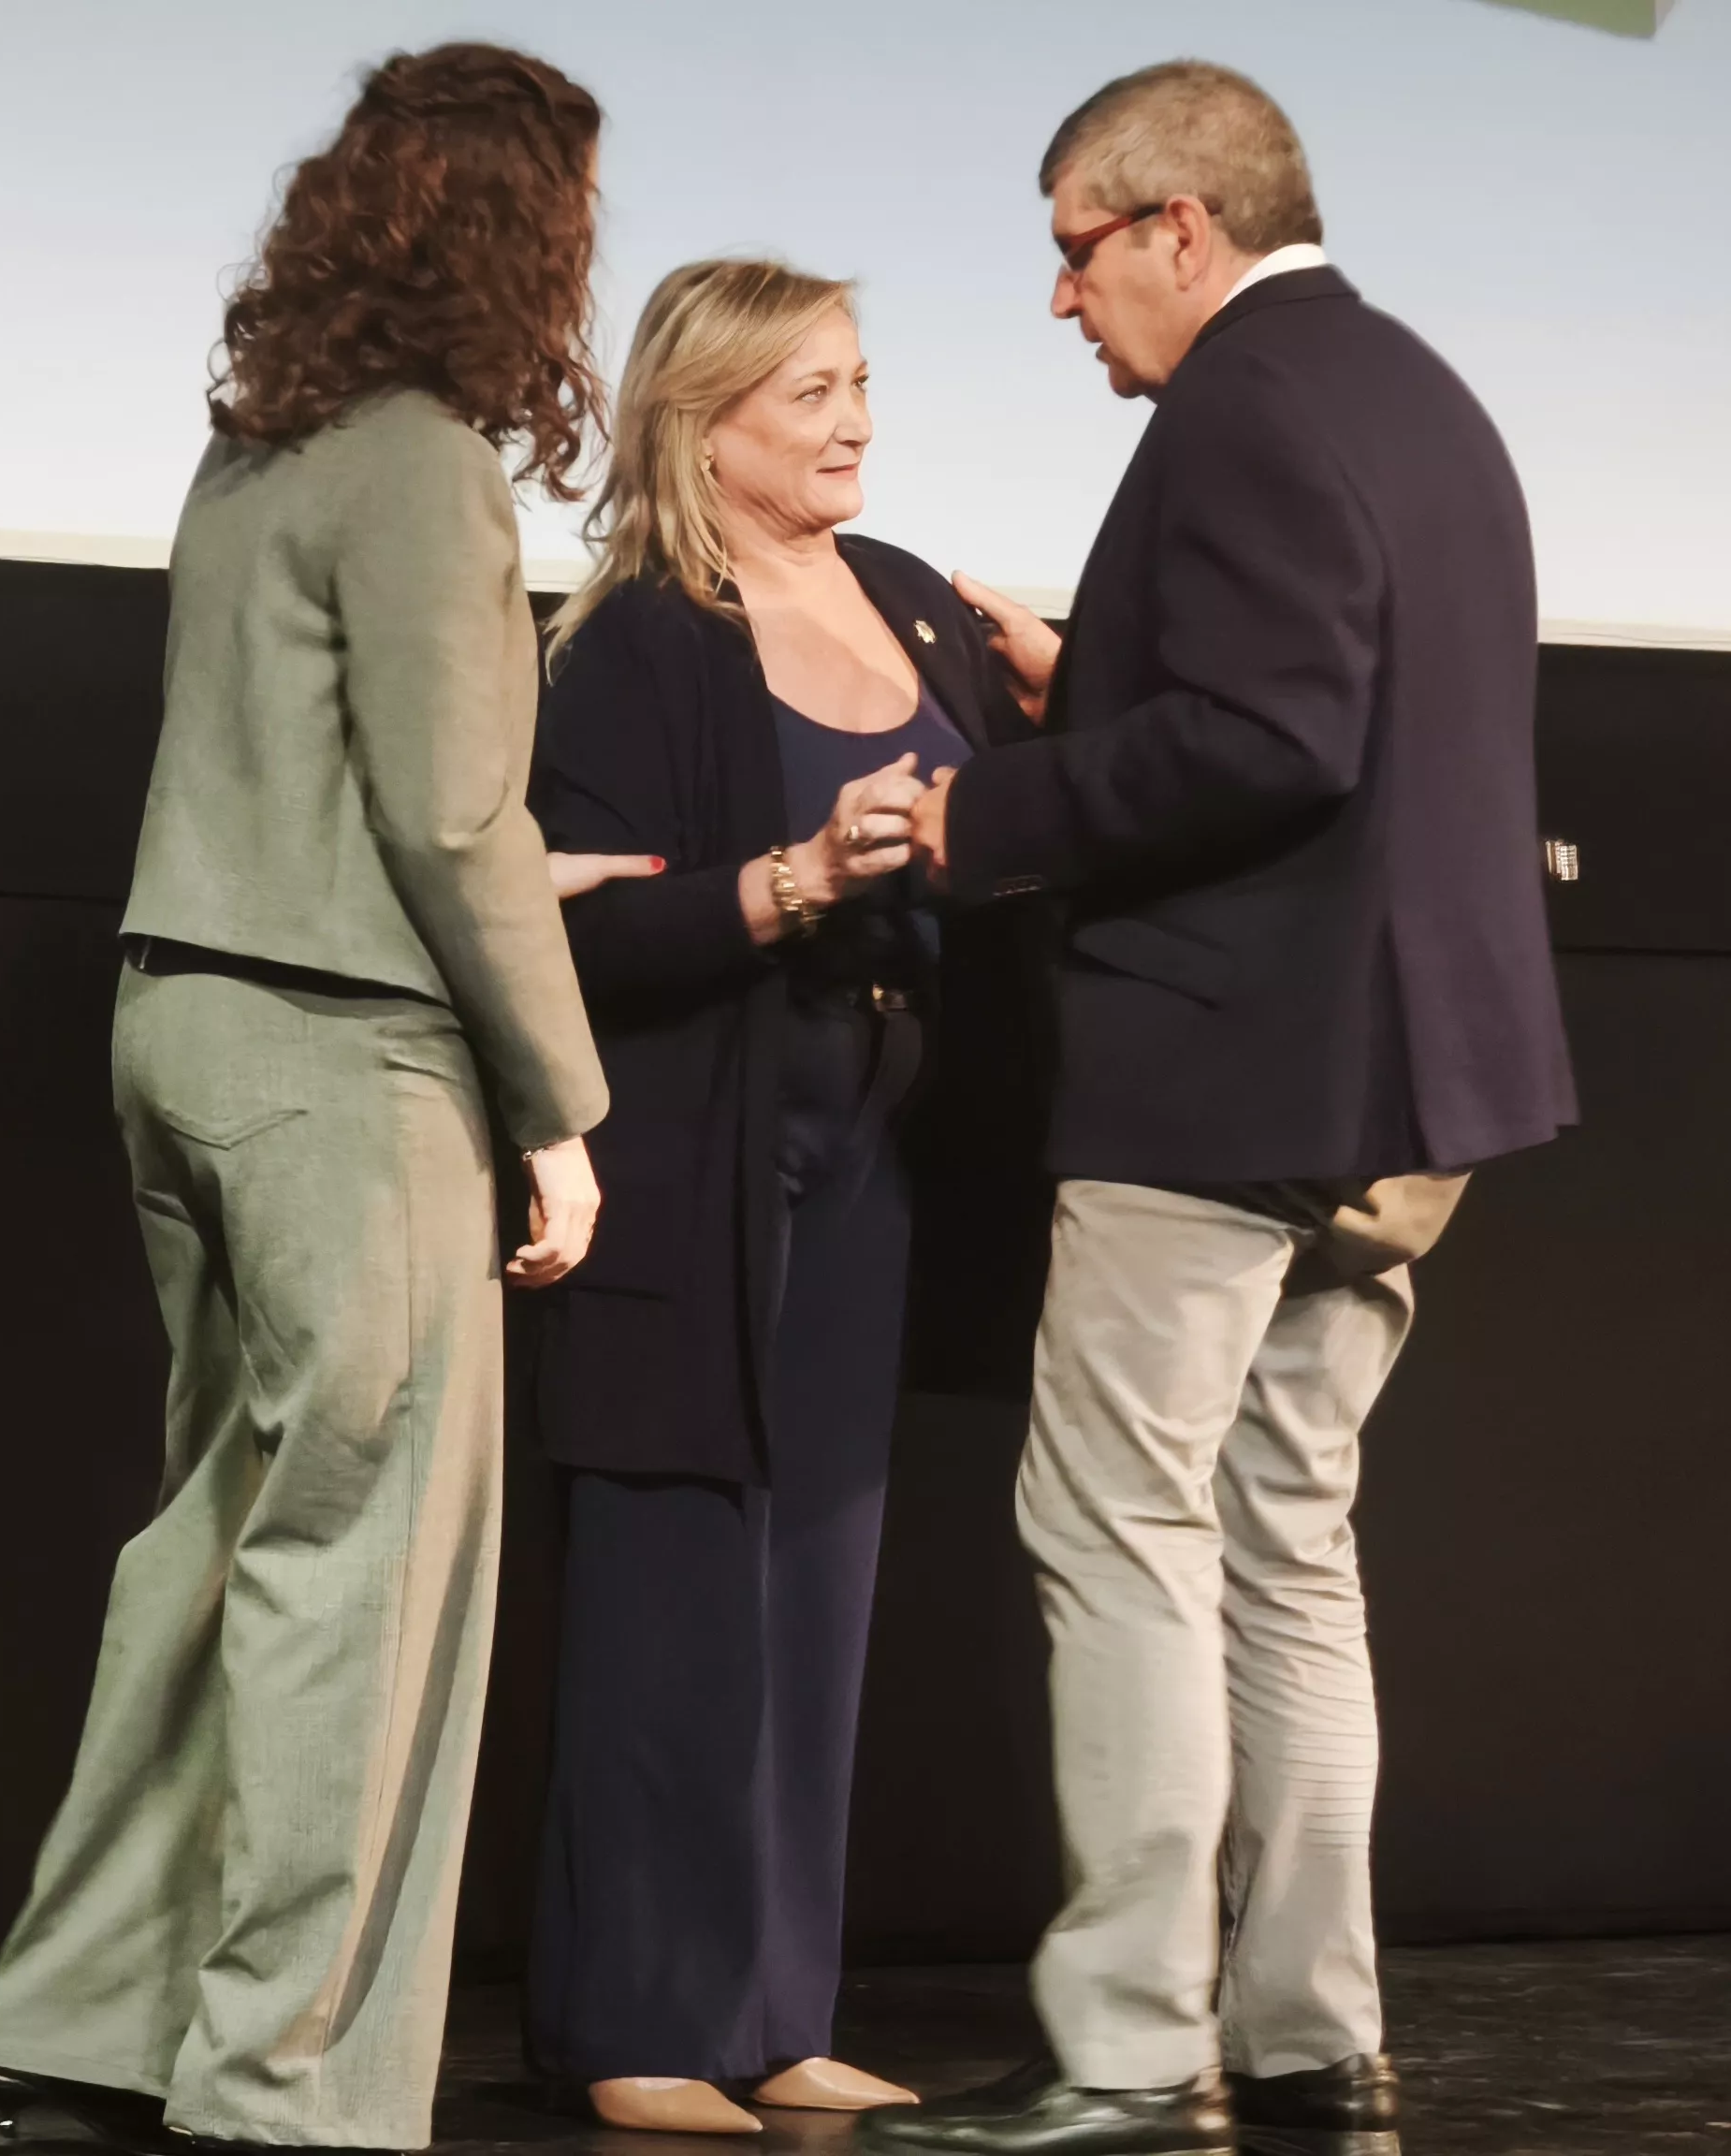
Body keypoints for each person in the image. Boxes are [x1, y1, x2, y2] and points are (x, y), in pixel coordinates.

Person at [862, 61, 1576, 2156]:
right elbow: (1340, 713)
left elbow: (1268, 738)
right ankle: (1301, 2028)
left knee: (1120, 1528)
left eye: (1075, 256)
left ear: (1177, 222)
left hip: (1232, 1057)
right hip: (1400, 1085)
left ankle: (1114, 2045)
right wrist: (1089, 677)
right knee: (1284, 1542)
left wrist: (975, 808)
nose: (1063, 305)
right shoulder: (1412, 392)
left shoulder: (1241, 405)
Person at [0, 44, 614, 2153]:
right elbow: (446, 810)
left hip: (184, 1025)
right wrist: (560, 1100)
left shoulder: (252, 451)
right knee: (361, 1570)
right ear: (526, 228)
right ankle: (285, 2088)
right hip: (342, 1057)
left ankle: (86, 2019)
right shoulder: (421, 460)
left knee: (221, 1539)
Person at [517, 259, 1039, 2135]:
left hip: (876, 1157)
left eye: (857, 381)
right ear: (702, 415)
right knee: (671, 1597)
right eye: (807, 390)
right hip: (693, 1162)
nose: (851, 420)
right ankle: (638, 2027)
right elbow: (581, 927)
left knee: (818, 1588)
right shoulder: (643, 637)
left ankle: (774, 2010)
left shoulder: (914, 602)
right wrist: (792, 878)